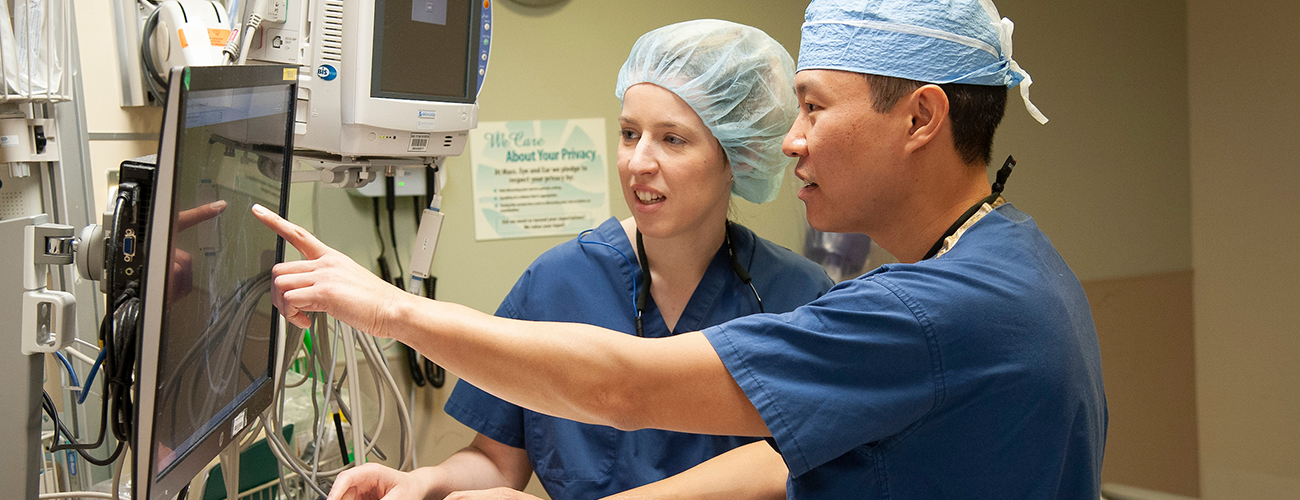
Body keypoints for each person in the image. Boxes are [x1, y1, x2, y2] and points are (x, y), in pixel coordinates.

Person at [254, 0, 1107, 498]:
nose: (792, 140)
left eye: (813, 108)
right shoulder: (1009, 260)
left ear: (921, 118)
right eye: (628, 134)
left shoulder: (924, 311)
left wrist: (389, 307)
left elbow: (625, 387)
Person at [317, 20, 833, 500]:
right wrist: (426, 482)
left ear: (738, 156)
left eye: (672, 139)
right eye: (629, 134)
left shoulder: (797, 298)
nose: (638, 162)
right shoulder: (557, 283)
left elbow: (799, 468)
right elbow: (498, 462)